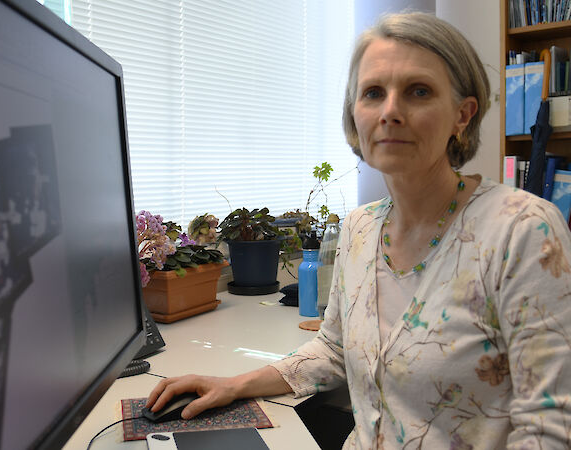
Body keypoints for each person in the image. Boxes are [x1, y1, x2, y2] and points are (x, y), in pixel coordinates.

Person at [146, 12, 571, 448]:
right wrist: (234, 385)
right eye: (373, 93)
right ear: (355, 116)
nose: (390, 111)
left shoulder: (522, 231)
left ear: (462, 115)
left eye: (418, 91)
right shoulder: (360, 228)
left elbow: (548, 430)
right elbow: (332, 351)